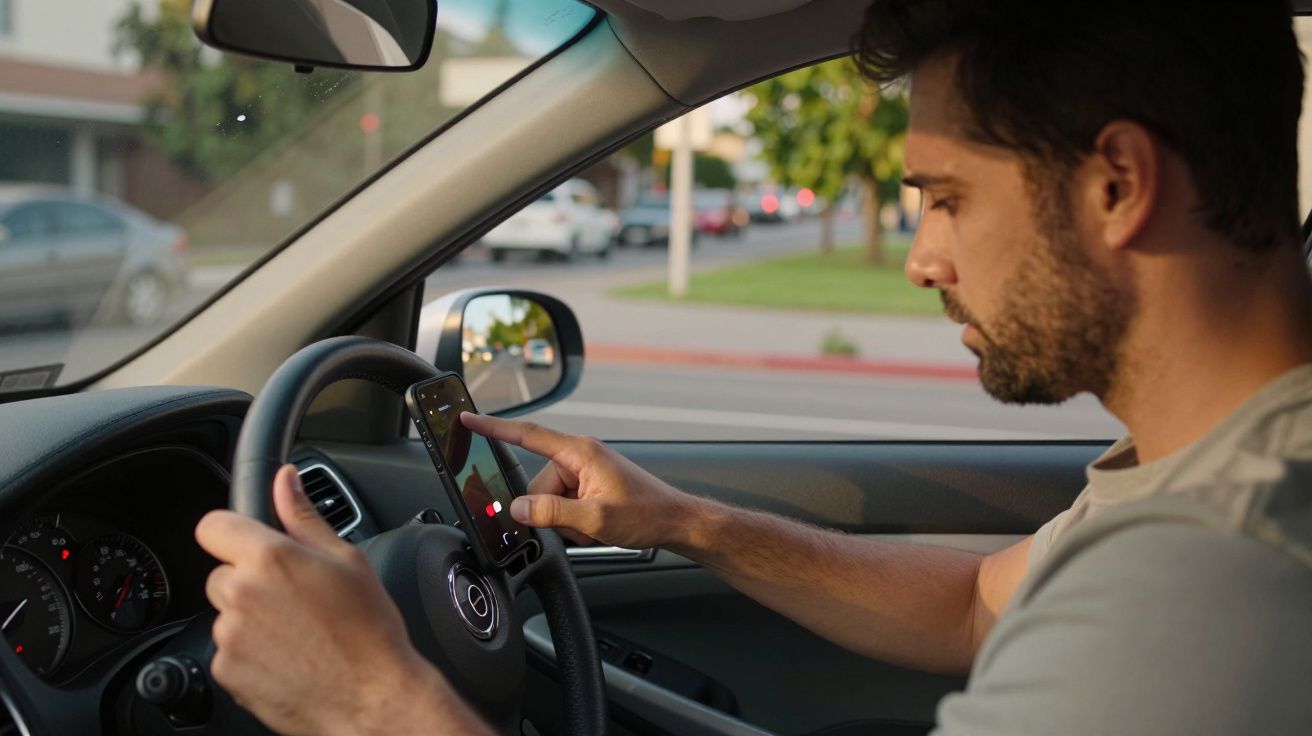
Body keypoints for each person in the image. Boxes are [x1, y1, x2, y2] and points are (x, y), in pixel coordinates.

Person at [194, 0, 1312, 733]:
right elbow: (981, 604)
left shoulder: (1220, 569)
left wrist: (370, 704)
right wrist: (687, 522)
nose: (921, 260)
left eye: (949, 200)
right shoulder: (1207, 476)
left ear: (1116, 182)